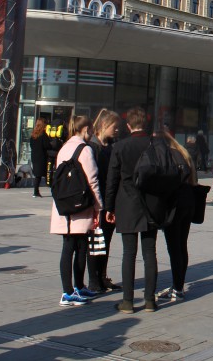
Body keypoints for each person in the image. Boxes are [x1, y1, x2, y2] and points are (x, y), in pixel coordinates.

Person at [105, 107, 166, 314]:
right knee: (150, 252)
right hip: (151, 203)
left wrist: (109, 206)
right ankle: (150, 300)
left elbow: (112, 179)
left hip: (127, 203)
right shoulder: (156, 144)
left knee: (129, 253)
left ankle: (128, 302)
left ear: (128, 125)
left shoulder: (120, 146)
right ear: (145, 124)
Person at [50, 115, 102, 306]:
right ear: (86, 129)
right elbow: (92, 180)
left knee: (72, 245)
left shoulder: (64, 148)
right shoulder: (85, 150)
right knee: (77, 246)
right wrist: (99, 207)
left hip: (65, 204)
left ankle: (76, 288)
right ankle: (69, 291)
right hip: (81, 205)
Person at [159, 132, 196, 302]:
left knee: (174, 247)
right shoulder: (183, 153)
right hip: (188, 202)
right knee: (182, 245)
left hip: (174, 205)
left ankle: (178, 288)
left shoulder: (168, 155)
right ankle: (178, 285)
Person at [88, 109, 122, 292]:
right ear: (103, 125)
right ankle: (94, 280)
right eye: (114, 127)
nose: (117, 130)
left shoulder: (110, 146)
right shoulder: (93, 147)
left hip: (109, 201)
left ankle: (102, 276)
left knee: (105, 241)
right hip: (97, 201)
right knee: (96, 241)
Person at [29, 118, 51, 198]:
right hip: (42, 156)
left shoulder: (33, 135)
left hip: (35, 156)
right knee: (44, 174)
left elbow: (31, 145)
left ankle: (36, 191)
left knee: (38, 175)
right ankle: (37, 191)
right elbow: (47, 145)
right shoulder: (43, 135)